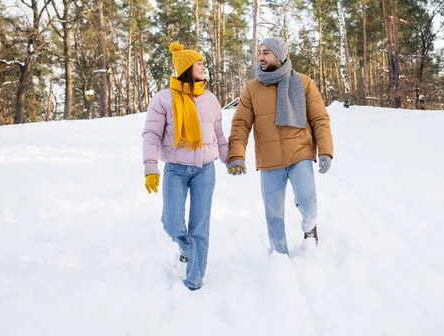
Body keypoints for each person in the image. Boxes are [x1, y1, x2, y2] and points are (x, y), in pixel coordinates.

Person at [227, 37, 333, 255]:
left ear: (279, 55)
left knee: (307, 197)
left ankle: (309, 229)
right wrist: (236, 155)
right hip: (269, 159)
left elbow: (320, 119)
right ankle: (278, 253)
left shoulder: (303, 82)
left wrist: (325, 150)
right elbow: (240, 124)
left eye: (266, 52)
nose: (261, 57)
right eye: (260, 52)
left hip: (300, 152)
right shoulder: (252, 88)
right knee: (273, 212)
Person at [142, 42, 228, 290]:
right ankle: (185, 248)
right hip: (175, 169)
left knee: (200, 226)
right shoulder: (163, 99)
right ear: (186, 67)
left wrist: (231, 159)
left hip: (205, 169)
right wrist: (150, 167)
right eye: (198, 63)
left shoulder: (211, 99)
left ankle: (194, 280)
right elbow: (151, 134)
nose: (203, 66)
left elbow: (219, 135)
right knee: (171, 222)